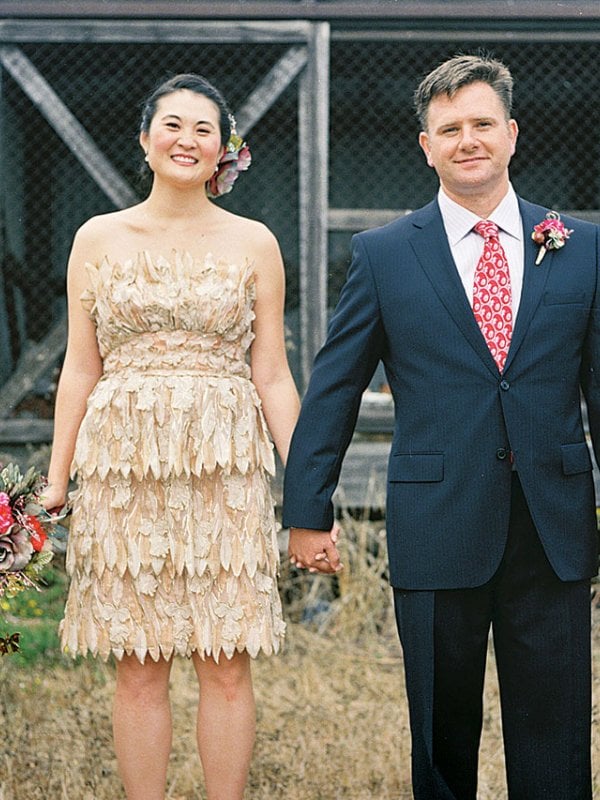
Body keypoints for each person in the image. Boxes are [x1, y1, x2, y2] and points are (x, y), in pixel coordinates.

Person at [283, 54, 599, 799]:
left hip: (552, 526)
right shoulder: (385, 255)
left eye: (482, 123)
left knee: (556, 733)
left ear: (512, 133)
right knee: (440, 732)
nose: (468, 140)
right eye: (449, 128)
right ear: (425, 145)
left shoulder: (580, 247)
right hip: (436, 519)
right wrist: (307, 511)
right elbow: (335, 388)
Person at [42, 72, 301, 800]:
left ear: (225, 150)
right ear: (145, 140)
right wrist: (58, 480)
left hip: (225, 468)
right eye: (173, 124)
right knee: (139, 658)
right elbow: (79, 367)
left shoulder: (255, 242)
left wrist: (311, 482)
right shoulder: (98, 237)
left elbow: (274, 375)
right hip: (125, 468)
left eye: (204, 129)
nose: (188, 139)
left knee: (226, 657)